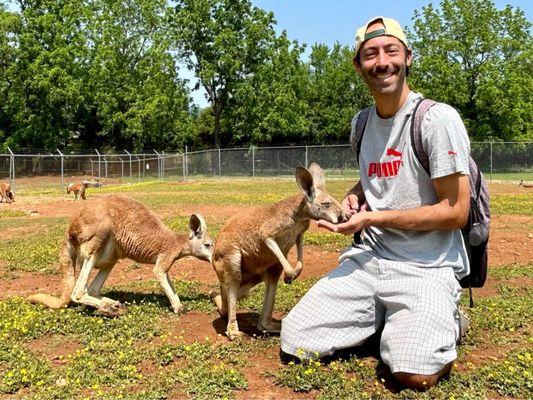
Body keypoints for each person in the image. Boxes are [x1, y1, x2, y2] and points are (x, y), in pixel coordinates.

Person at [280, 16, 471, 391]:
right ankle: (393, 320)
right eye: (371, 54)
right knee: (296, 339)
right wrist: (357, 195)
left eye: (391, 51)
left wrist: (373, 218)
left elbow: (456, 210)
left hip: (425, 266)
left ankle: (446, 320)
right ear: (358, 65)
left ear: (408, 58)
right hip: (369, 262)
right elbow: (377, 178)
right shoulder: (362, 124)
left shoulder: (435, 120)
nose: (382, 61)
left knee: (411, 373)